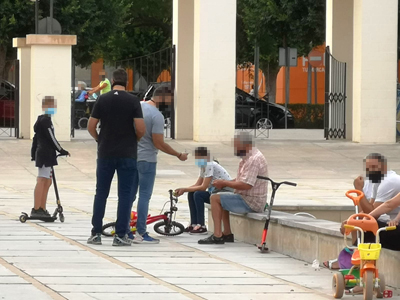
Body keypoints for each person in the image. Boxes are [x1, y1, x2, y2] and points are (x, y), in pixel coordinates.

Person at [87, 68, 145, 246]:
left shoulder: (103, 99)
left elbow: (91, 126)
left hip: (105, 152)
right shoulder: (133, 101)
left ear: (112, 81)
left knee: (101, 192)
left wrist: (99, 139)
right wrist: (133, 140)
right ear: (127, 81)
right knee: (125, 195)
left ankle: (96, 233)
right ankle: (120, 235)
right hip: (127, 153)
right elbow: (141, 128)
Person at [323, 153, 400, 271]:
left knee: (367, 229)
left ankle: (356, 266)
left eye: (374, 167)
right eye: (368, 169)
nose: (371, 171)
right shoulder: (377, 181)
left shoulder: (390, 181)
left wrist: (359, 190)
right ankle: (359, 266)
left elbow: (380, 209)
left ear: (384, 166)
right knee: (362, 223)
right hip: (393, 225)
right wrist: (355, 219)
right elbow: (376, 208)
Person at [131, 86, 188, 244]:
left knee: (129, 194)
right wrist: (178, 155)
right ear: (163, 97)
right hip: (147, 160)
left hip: (131, 157)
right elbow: (159, 143)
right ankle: (141, 233)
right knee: (144, 196)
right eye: (170, 100)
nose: (171, 103)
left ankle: (124, 230)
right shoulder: (157, 116)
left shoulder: (138, 107)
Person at [198, 132, 268, 244]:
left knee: (215, 198)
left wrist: (224, 182)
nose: (235, 149)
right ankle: (227, 233)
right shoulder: (247, 157)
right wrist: (224, 183)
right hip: (246, 197)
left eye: (236, 146)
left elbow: (246, 184)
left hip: (251, 201)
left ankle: (217, 235)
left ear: (245, 145)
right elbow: (241, 178)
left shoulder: (254, 160)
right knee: (222, 196)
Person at [175, 147, 232, 235]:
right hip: (214, 192)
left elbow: (203, 187)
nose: (197, 160)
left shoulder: (210, 165)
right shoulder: (203, 167)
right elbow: (197, 184)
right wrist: (183, 189)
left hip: (223, 193)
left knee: (198, 194)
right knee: (191, 193)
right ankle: (193, 223)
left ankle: (201, 225)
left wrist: (184, 189)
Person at [30, 96, 70, 217]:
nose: (52, 108)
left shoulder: (46, 120)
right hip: (44, 154)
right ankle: (36, 208)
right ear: (44, 107)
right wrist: (61, 150)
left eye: (53, 106)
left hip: (47, 154)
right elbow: (51, 138)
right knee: (42, 180)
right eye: (50, 106)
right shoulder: (45, 121)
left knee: (47, 181)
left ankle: (42, 207)